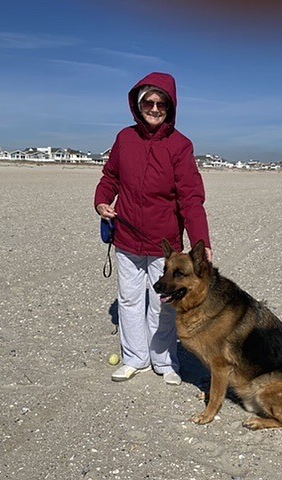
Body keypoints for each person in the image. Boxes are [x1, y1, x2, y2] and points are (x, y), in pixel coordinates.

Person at [94, 72, 212, 385]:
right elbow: (110, 178)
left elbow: (191, 198)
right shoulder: (125, 138)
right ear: (138, 103)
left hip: (165, 244)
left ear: (171, 107)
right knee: (130, 300)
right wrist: (102, 201)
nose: (155, 108)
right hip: (127, 237)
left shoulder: (180, 145)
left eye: (162, 103)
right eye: (149, 101)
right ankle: (136, 358)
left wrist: (202, 241)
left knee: (164, 303)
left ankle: (164, 361)